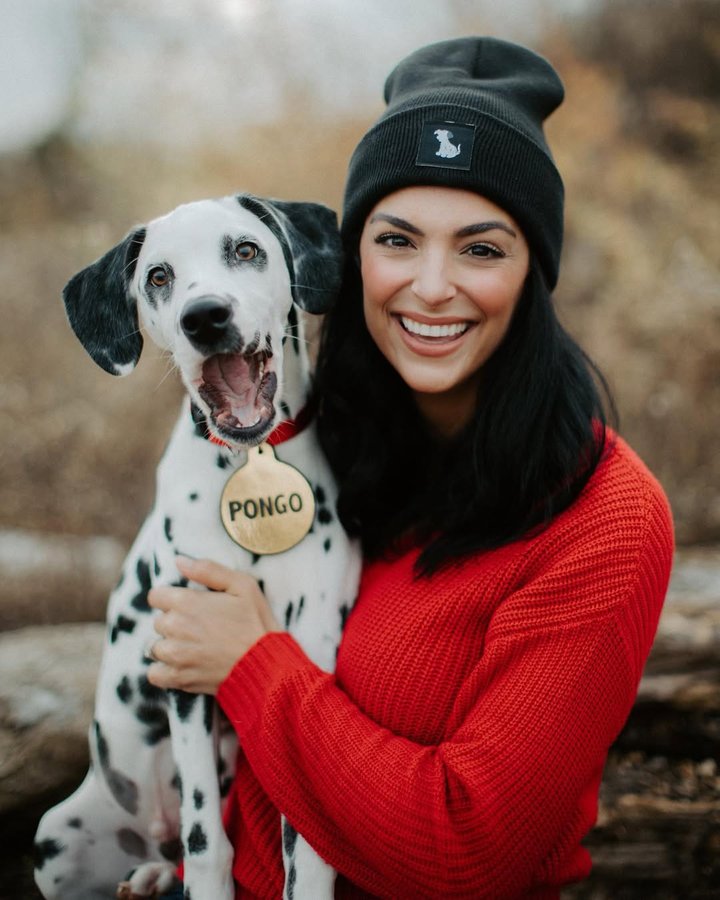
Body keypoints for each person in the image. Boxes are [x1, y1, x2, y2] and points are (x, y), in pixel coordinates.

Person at [146, 37, 674, 898]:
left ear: (534, 271)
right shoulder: (327, 442)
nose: (430, 287)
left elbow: (463, 846)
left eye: (480, 248)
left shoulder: (607, 520)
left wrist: (252, 663)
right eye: (397, 239)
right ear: (350, 261)